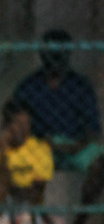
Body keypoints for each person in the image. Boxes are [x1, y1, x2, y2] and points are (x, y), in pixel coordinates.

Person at [11, 30, 102, 182]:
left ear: (68, 54)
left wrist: (79, 145)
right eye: (51, 55)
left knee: (100, 163)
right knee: (21, 163)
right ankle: (34, 204)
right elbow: (13, 122)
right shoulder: (29, 86)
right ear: (42, 54)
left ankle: (85, 206)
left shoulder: (81, 85)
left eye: (59, 55)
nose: (55, 61)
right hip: (39, 147)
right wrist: (38, 143)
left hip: (76, 146)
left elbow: (94, 130)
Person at [0, 100, 53, 204]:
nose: (24, 129)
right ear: (7, 126)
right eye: (19, 124)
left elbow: (37, 192)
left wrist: (8, 185)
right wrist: (2, 152)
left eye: (27, 124)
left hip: (28, 208)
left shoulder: (40, 149)